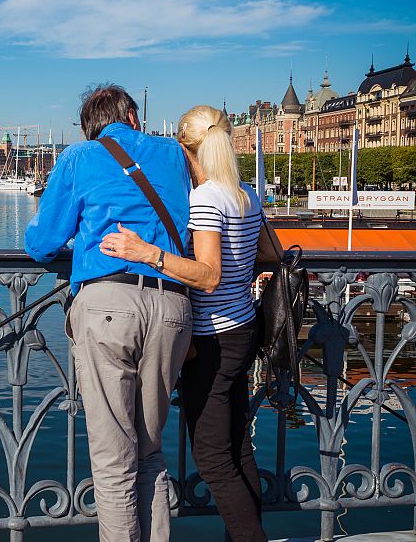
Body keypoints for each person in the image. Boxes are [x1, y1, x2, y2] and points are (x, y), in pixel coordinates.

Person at [99, 105, 282, 542]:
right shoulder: (245, 194)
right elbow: (268, 255)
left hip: (213, 337)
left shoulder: (205, 199)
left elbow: (209, 274)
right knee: (238, 449)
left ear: (185, 149)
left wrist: (148, 253)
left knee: (213, 459)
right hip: (243, 327)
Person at [24, 84, 192, 542]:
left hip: (110, 307)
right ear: (133, 117)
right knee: (150, 452)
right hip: (173, 305)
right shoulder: (175, 154)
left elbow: (42, 243)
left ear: (90, 127)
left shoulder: (79, 157)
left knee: (114, 457)